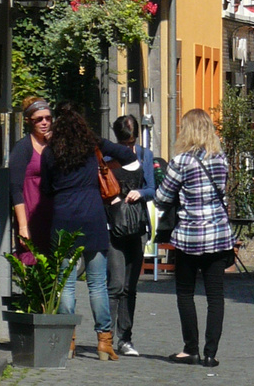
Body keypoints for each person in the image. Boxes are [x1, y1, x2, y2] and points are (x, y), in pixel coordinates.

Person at [40, 101, 135, 361]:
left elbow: (46, 189)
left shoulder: (50, 152)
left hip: (64, 218)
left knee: (66, 283)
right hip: (92, 216)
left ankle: (69, 341)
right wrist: (104, 167)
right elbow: (129, 156)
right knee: (97, 285)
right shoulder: (92, 145)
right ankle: (104, 342)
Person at [154, 109, 233, 367]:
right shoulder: (221, 160)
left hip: (190, 236)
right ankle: (211, 353)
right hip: (219, 235)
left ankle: (191, 349)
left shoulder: (181, 162)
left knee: (185, 293)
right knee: (216, 296)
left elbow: (162, 198)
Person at [105, 115, 155, 357]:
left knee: (129, 287)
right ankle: (106, 336)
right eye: (124, 144)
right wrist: (109, 196)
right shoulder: (106, 158)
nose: (128, 148)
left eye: (131, 143)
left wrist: (139, 193)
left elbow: (152, 189)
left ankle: (125, 338)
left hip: (136, 226)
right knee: (114, 284)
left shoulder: (144, 156)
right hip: (113, 225)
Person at [9, 97, 54, 265]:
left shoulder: (53, 145)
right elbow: (15, 189)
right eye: (39, 119)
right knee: (33, 263)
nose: (44, 123)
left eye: (48, 118)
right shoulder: (23, 148)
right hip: (31, 215)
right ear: (29, 121)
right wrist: (22, 225)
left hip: (53, 214)